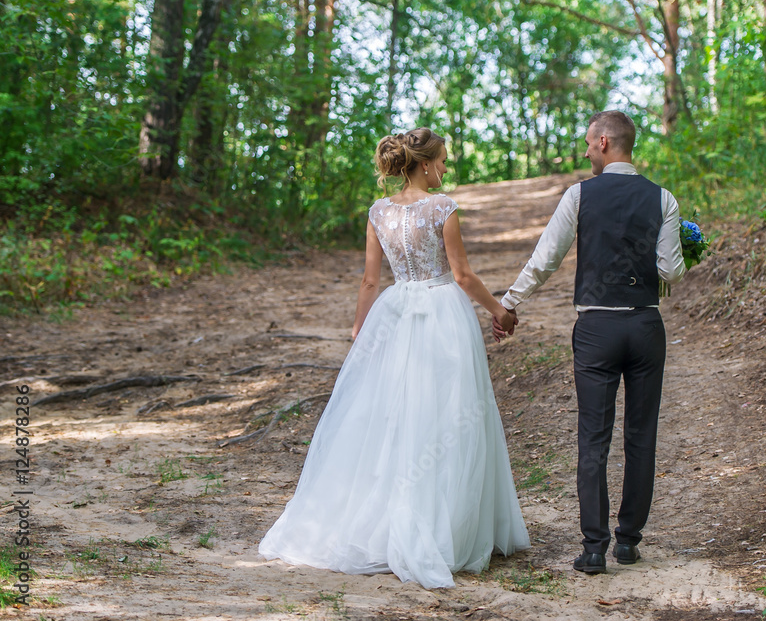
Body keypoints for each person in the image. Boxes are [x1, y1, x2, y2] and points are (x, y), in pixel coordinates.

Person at [258, 127, 530, 589]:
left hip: (395, 311)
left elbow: (369, 281)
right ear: (425, 164)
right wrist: (500, 310)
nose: (446, 168)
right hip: (443, 313)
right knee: (447, 414)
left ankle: (384, 519)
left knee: (391, 414)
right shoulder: (443, 208)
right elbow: (462, 275)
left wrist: (361, 330)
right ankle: (444, 528)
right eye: (443, 160)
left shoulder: (378, 212)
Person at [492, 110, 685, 574]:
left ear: (602, 142)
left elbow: (546, 258)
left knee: (593, 439)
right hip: (644, 327)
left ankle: (594, 548)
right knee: (642, 437)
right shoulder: (663, 199)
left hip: (596, 330)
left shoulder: (579, 195)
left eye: (586, 143)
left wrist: (509, 303)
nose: (583, 152)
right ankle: (628, 542)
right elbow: (670, 272)